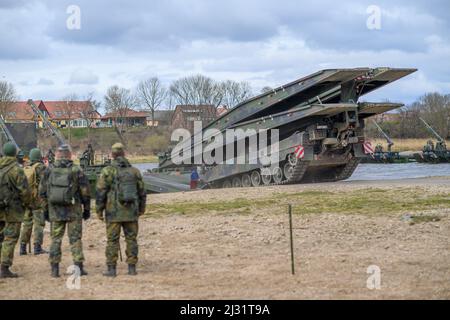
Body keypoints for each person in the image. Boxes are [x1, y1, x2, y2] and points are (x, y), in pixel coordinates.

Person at [39, 144, 91, 278]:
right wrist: (87, 209)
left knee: (55, 239)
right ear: (69, 155)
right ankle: (78, 267)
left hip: (55, 211)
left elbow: (42, 193)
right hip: (74, 211)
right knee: (75, 239)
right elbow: (85, 192)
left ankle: (54, 269)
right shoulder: (76, 170)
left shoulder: (48, 170)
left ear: (57, 155)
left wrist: (45, 211)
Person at [96, 143, 146, 277]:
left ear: (112, 155)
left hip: (113, 213)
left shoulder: (107, 171)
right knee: (131, 239)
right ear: (124, 153)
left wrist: (99, 211)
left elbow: (101, 192)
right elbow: (142, 192)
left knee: (112, 240)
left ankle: (112, 269)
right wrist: (141, 209)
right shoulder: (134, 171)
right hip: (131, 211)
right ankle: (132, 268)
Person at [0, 142, 31, 278]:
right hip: (12, 210)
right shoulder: (17, 170)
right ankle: (4, 267)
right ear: (14, 153)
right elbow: (25, 192)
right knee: (10, 238)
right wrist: (26, 204)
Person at [19, 148, 48, 255]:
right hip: (37, 200)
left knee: (27, 223)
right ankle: (37, 247)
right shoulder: (41, 168)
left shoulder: (26, 167)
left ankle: (22, 247)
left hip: (27, 199)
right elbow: (45, 184)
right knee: (39, 223)